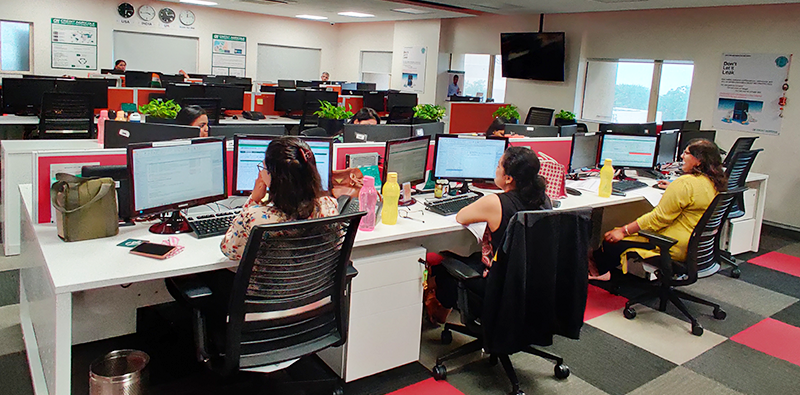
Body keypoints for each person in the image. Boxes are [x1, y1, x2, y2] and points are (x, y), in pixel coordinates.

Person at [426, 147, 551, 323]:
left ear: (508, 178)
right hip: (530, 282)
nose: (496, 169)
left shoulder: (496, 202)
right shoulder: (544, 199)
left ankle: (439, 314)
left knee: (444, 265)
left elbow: (462, 216)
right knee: (471, 256)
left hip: (500, 285)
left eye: (499, 165)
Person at [589, 139, 727, 280]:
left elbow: (658, 219)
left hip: (670, 245)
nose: (681, 157)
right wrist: (673, 188)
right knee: (618, 235)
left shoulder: (685, 184)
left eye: (686, 153)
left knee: (612, 239)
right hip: (695, 246)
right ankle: (597, 265)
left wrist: (623, 231)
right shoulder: (714, 182)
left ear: (699, 160)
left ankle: (600, 274)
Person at [220, 136, 339, 262]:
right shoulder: (328, 206)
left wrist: (253, 200)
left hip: (269, 281)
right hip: (316, 280)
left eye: (264, 168)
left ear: (276, 179)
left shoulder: (256, 217)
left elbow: (229, 251)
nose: (261, 173)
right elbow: (337, 242)